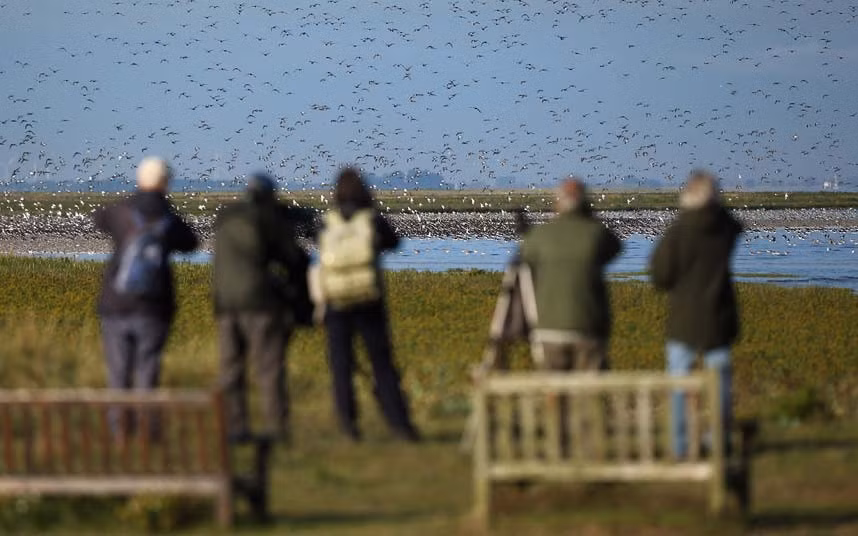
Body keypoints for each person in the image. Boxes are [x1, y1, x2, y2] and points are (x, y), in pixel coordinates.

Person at [94, 156, 199, 439]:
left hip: (116, 305)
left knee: (118, 371)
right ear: (165, 183)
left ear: (140, 179)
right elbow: (191, 242)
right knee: (147, 369)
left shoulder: (121, 211)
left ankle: (119, 433)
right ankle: (146, 433)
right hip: (153, 308)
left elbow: (100, 218)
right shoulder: (168, 217)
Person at [316, 166, 420, 442]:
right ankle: (400, 425)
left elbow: (320, 249)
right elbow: (394, 242)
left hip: (337, 303)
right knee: (382, 364)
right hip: (369, 300)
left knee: (341, 366)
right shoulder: (371, 219)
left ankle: (348, 427)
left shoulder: (328, 222)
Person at [649, 169, 743, 458]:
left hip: (684, 323)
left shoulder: (678, 232)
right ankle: (718, 442)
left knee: (679, 385)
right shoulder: (725, 230)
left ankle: (679, 447)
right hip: (719, 320)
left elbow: (659, 275)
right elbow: (734, 223)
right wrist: (716, 203)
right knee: (720, 388)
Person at [213, 172, 312, 443]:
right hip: (259, 304)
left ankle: (234, 428)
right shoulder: (266, 220)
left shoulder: (226, 218)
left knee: (230, 369)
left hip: (225, 304)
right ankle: (276, 429)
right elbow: (292, 259)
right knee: (268, 368)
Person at [519, 177, 622, 371]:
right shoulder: (595, 233)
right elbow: (614, 246)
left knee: (554, 390)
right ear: (585, 203)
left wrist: (528, 234)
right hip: (587, 327)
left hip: (548, 329)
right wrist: (588, 216)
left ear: (557, 202)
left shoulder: (540, 234)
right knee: (590, 394)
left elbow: (526, 258)